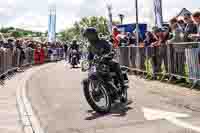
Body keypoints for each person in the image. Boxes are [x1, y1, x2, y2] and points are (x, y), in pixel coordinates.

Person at [83, 27, 128, 94]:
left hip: (106, 61)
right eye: (87, 36)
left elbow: (110, 48)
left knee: (115, 64)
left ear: (94, 35)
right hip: (96, 64)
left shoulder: (103, 41)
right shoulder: (90, 46)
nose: (88, 38)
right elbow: (90, 56)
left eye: (88, 36)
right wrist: (87, 61)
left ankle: (122, 85)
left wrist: (107, 54)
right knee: (90, 72)